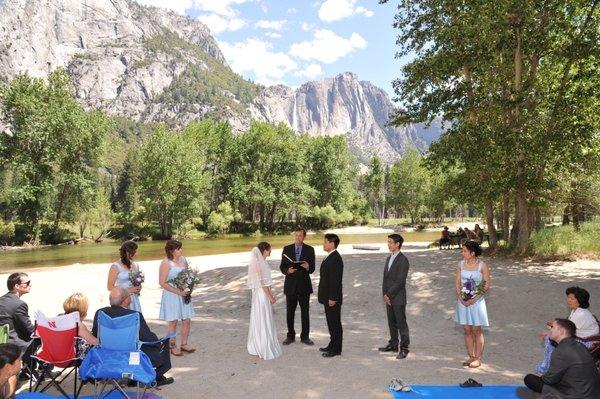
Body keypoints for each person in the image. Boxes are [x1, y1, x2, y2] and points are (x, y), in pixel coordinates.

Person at [92, 287, 174, 387]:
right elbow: (148, 339)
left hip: (107, 356)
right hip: (130, 358)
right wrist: (159, 342)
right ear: (126, 300)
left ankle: (131, 379)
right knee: (161, 343)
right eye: (129, 295)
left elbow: (96, 334)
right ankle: (154, 377)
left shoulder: (100, 313)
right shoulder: (134, 316)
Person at [524, 318, 600, 399]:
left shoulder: (561, 350)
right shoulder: (579, 345)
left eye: (552, 327)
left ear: (561, 331)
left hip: (578, 395)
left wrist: (542, 377)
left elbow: (549, 380)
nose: (550, 330)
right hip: (594, 392)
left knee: (530, 379)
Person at [536, 286, 599, 374]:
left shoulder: (580, 314)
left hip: (587, 343)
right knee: (550, 336)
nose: (569, 300)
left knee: (550, 341)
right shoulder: (577, 311)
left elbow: (566, 331)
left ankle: (546, 369)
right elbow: (567, 324)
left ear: (579, 300)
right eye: (568, 297)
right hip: (582, 338)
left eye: (572, 298)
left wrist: (549, 332)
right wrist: (553, 326)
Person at [453, 240, 490, 368]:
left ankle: (478, 358)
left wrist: (475, 298)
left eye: (464, 251)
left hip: (477, 302)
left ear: (472, 253)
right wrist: (461, 297)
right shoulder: (460, 265)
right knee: (467, 330)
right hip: (463, 301)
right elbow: (457, 282)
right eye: (462, 251)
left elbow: (486, 284)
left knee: (477, 330)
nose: (462, 253)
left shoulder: (482, 266)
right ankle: (471, 356)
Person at [159, 240, 195, 356]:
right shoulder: (166, 263)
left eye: (181, 248)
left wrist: (188, 287)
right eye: (178, 249)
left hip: (183, 294)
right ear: (171, 251)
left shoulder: (184, 259)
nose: (181, 250)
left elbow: (187, 276)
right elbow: (162, 283)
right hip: (172, 294)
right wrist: (178, 292)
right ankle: (172, 345)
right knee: (173, 321)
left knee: (187, 320)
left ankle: (184, 344)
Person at [280, 227, 316, 346]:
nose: (297, 237)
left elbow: (312, 269)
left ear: (304, 237)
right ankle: (290, 336)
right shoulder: (287, 249)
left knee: (305, 312)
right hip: (290, 286)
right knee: (290, 312)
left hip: (304, 286)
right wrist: (287, 271)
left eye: (300, 236)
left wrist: (307, 267)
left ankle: (305, 337)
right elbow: (282, 267)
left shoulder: (310, 250)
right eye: (296, 235)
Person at [247, 242, 283, 360]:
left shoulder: (262, 262)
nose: (270, 251)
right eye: (269, 249)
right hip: (262, 295)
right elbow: (263, 284)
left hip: (261, 295)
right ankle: (263, 345)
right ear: (265, 250)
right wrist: (271, 297)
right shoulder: (259, 264)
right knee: (263, 318)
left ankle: (261, 343)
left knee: (262, 318)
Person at [379, 234, 411, 360]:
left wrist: (389, 294)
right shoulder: (389, 258)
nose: (388, 244)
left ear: (397, 244)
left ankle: (404, 348)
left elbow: (400, 281)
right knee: (391, 322)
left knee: (401, 323)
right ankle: (393, 344)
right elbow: (385, 279)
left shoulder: (403, 260)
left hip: (398, 297)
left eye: (390, 242)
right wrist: (384, 294)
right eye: (388, 242)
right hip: (388, 297)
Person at [0, 273, 36, 378]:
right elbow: (29, 330)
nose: (30, 285)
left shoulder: (2, 300)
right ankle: (31, 371)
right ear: (16, 286)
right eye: (27, 283)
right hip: (13, 342)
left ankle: (28, 370)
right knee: (40, 337)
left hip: (3, 338)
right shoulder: (20, 305)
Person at [317, 234, 344, 358]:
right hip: (327, 296)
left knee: (335, 323)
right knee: (330, 322)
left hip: (332, 298)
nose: (323, 244)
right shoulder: (329, 256)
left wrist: (333, 298)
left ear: (332, 244)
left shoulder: (336, 259)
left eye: (325, 242)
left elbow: (335, 281)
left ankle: (336, 349)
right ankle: (332, 344)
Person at [107, 241, 142, 313]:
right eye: (135, 251)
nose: (137, 254)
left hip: (134, 298)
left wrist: (139, 287)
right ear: (129, 253)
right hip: (121, 300)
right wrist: (128, 290)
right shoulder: (115, 266)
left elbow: (137, 280)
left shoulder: (136, 265)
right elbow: (109, 287)